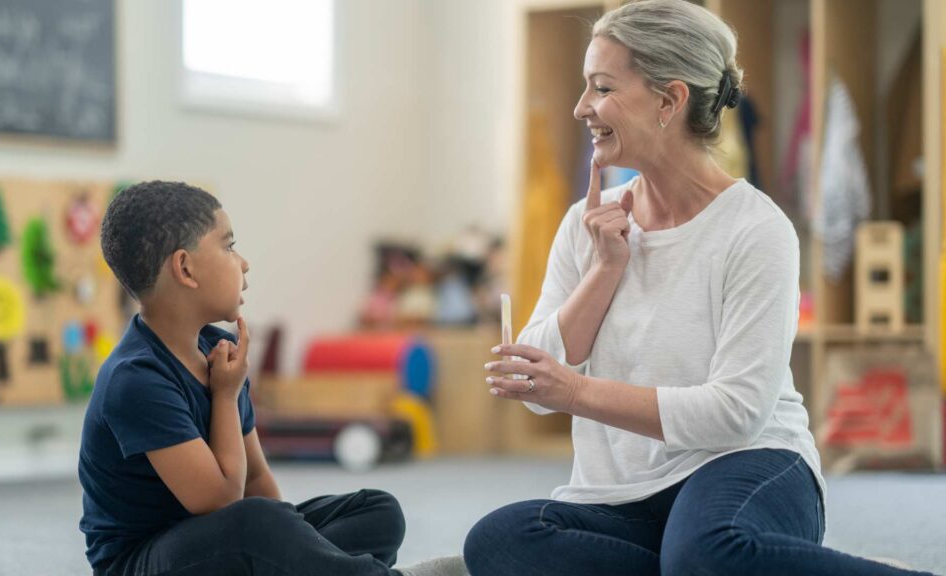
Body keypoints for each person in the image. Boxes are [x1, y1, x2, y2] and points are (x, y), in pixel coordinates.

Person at [465, 2, 934, 575]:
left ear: (669, 100)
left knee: (707, 550)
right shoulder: (585, 224)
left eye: (602, 87)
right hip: (620, 496)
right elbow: (539, 391)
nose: (581, 107)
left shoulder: (757, 230)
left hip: (747, 465)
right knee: (500, 540)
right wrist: (604, 270)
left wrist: (578, 394)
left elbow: (734, 414)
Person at [79, 181, 461, 576]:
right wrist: (225, 398)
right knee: (257, 524)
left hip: (227, 541)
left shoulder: (219, 350)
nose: (243, 262)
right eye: (228, 246)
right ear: (185, 268)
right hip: (145, 562)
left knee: (377, 512)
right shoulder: (136, 379)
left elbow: (257, 479)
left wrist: (289, 554)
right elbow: (224, 500)